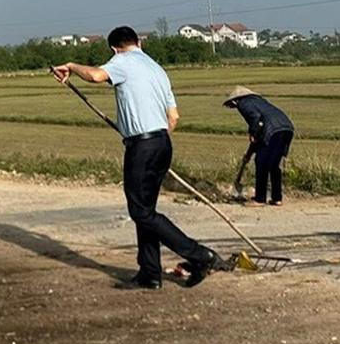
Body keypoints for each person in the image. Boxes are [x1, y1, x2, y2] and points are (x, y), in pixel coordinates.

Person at [52, 26, 224, 290]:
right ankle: (150, 273)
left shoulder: (122, 61)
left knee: (140, 212)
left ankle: (200, 256)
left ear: (114, 48)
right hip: (162, 142)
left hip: (142, 146)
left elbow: (96, 76)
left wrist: (72, 66)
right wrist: (155, 141)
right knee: (146, 212)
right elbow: (174, 117)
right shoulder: (157, 69)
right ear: (139, 42)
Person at [224, 86, 295, 205]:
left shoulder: (243, 104)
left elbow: (256, 121)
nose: (232, 107)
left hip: (272, 130)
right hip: (287, 128)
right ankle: (277, 198)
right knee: (274, 164)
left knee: (261, 162)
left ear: (235, 100)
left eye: (231, 105)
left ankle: (260, 198)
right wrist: (249, 153)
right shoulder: (260, 102)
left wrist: (253, 133)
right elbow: (258, 131)